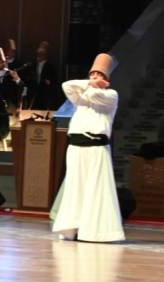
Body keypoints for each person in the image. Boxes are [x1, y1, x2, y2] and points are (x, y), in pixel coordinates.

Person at [51, 54, 124, 243]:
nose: (94, 78)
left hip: (96, 148)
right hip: (76, 147)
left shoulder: (110, 95)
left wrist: (93, 86)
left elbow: (95, 95)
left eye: (99, 75)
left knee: (96, 189)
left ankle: (95, 232)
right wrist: (91, 82)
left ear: (106, 79)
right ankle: (72, 229)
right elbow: (67, 85)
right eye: (92, 74)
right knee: (75, 188)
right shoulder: (81, 96)